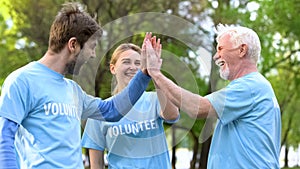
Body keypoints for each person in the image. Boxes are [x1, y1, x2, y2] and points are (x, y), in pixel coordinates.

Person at [0, 2, 152, 169]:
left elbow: (112, 111)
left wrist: (143, 74)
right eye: (92, 48)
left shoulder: (74, 90)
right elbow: (4, 139)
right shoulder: (23, 80)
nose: (93, 55)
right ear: (73, 45)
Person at [144, 24, 281, 169]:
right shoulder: (256, 86)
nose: (216, 56)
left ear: (242, 50)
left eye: (221, 49)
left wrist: (155, 73)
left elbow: (197, 108)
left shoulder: (250, 86)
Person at [81, 41, 180, 169]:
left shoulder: (155, 99)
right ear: (113, 68)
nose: (133, 67)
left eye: (138, 63)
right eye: (126, 62)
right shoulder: (101, 110)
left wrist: (155, 73)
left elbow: (172, 115)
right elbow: (96, 164)